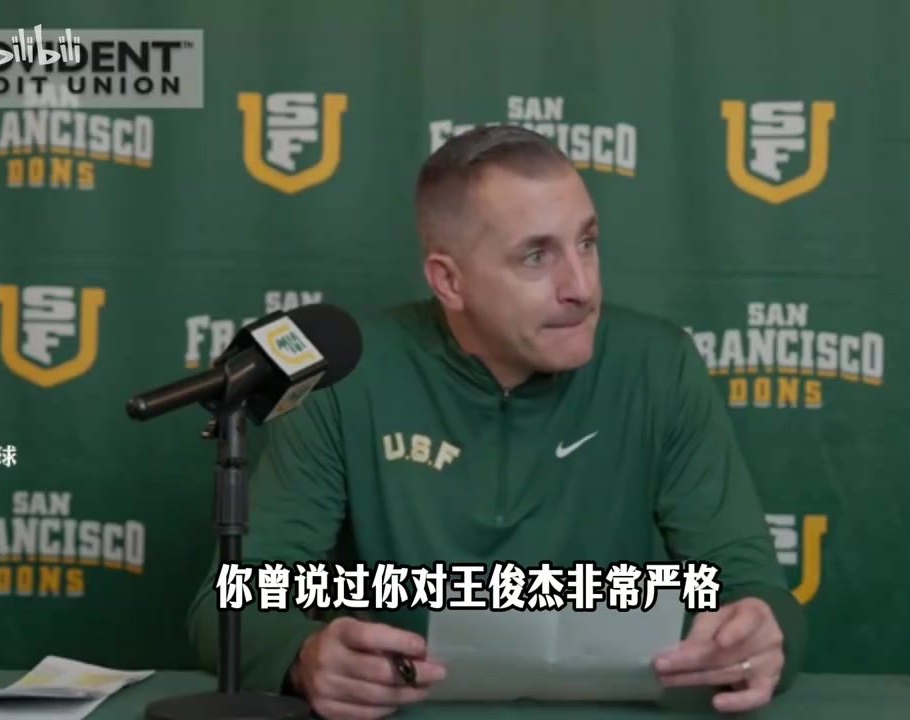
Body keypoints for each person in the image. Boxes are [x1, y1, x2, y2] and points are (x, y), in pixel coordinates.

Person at [187, 125, 806, 719]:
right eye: (536, 256)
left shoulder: (659, 365)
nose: (581, 287)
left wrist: (761, 634)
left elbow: (756, 590)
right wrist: (303, 658)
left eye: (587, 243)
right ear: (449, 282)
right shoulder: (346, 378)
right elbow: (228, 608)